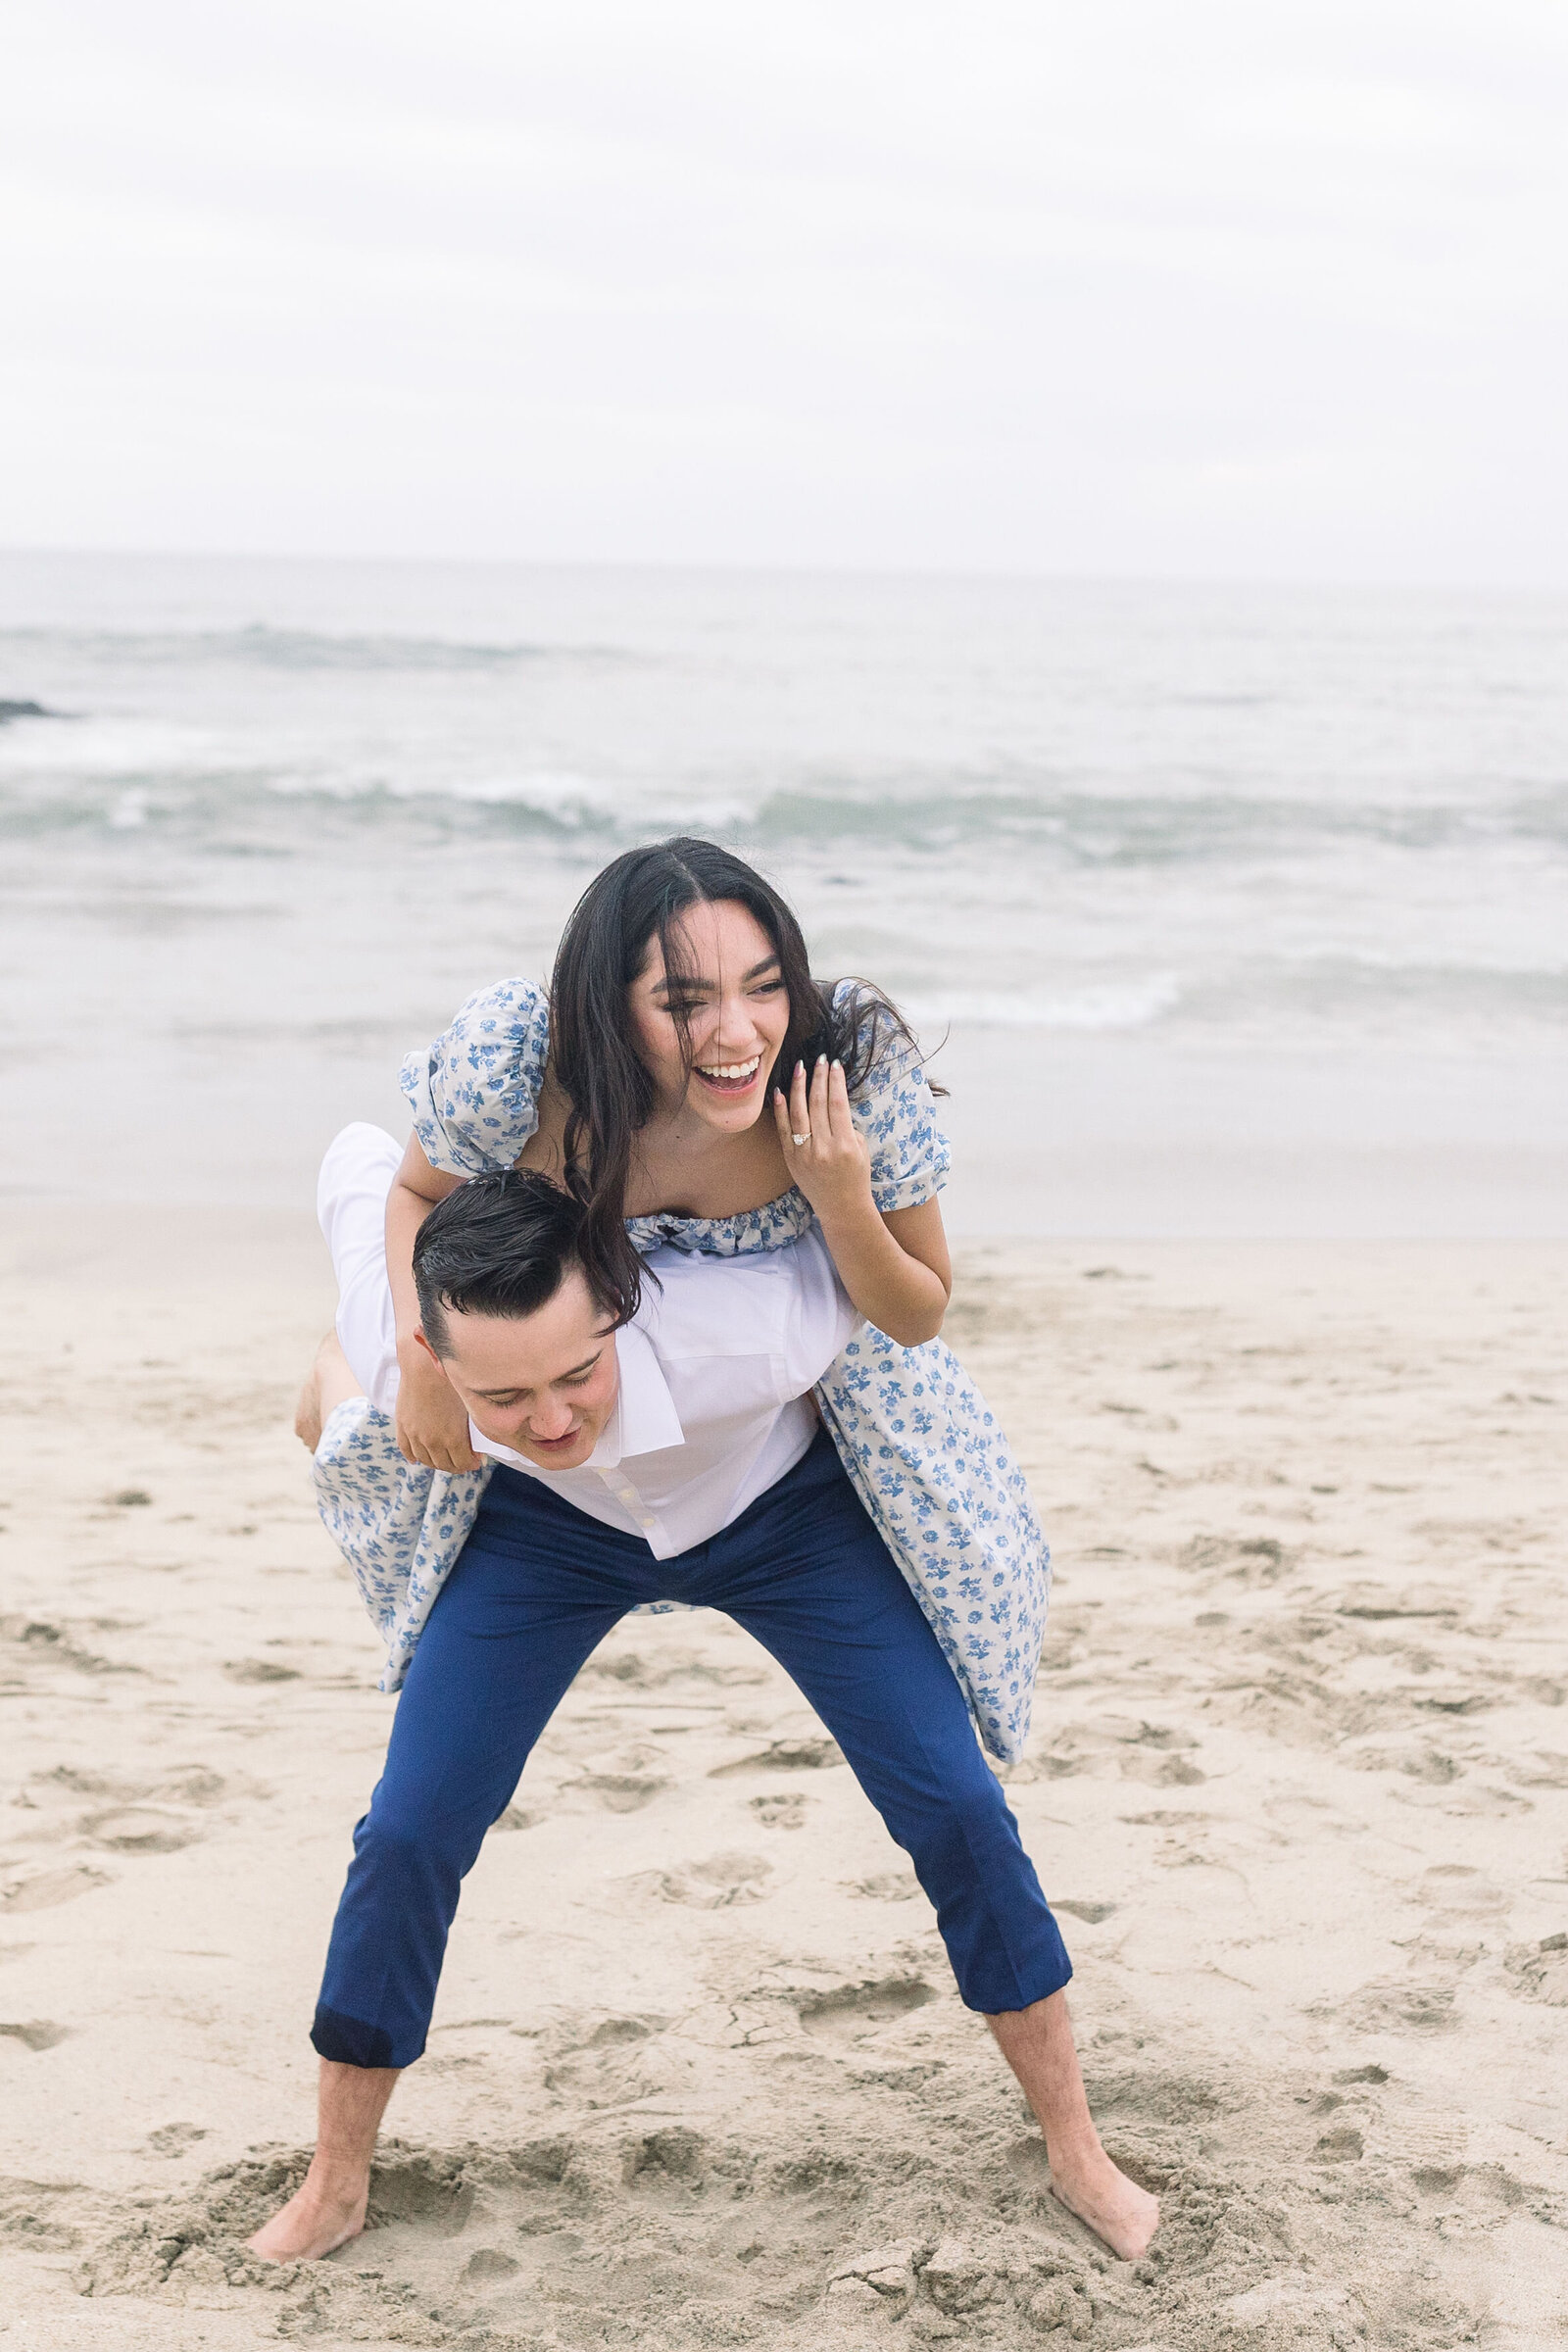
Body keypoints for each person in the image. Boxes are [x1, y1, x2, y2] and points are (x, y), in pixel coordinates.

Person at [250, 1137, 1158, 2267]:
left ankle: (1077, 2151)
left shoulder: (752, 1324)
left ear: (621, 1308)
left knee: (955, 1807)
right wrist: (377, 1353)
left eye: (577, 1375)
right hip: (545, 1539)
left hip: (781, 1514)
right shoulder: (419, 1367)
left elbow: (908, 1301)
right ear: (437, 1349)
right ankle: (335, 2181)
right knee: (409, 1829)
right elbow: (356, 1159)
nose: (549, 1421)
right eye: (505, 1394)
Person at [313, 839, 1051, 1763]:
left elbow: (916, 1316)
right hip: (561, 1344)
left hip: (767, 1418)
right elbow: (420, 1195)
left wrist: (839, 1195)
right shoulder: (522, 1069)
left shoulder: (844, 1077)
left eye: (764, 986)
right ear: (609, 1008)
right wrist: (419, 1357)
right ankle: (342, 1369)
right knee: (392, 1379)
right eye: (683, 1004)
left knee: (951, 1765)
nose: (737, 1034)